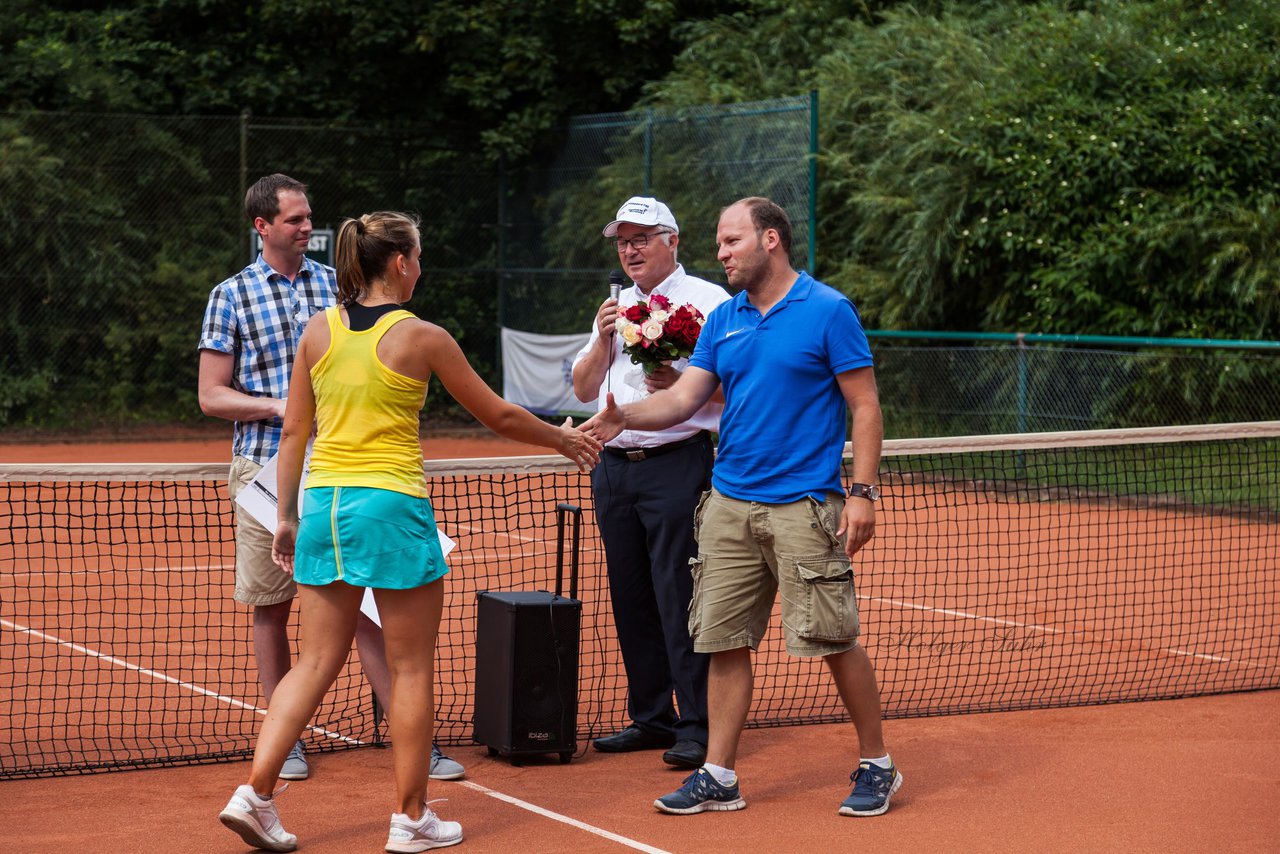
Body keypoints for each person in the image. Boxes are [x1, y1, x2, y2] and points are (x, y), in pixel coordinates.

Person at [218, 211, 601, 851]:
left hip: (325, 508)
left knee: (312, 664)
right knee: (412, 669)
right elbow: (500, 414)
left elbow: (292, 433)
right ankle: (411, 818)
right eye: (418, 256)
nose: (421, 267)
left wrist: (285, 517)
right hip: (390, 509)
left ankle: (253, 796)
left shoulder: (319, 330)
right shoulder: (423, 337)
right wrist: (562, 437)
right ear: (399, 262)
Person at [582, 197, 902, 818]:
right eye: (721, 243)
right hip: (728, 503)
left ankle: (877, 763)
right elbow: (682, 403)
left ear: (771, 240)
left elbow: (864, 405)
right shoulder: (724, 319)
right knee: (723, 642)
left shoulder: (829, 310)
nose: (722, 253)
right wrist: (620, 419)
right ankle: (719, 773)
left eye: (732, 242)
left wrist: (862, 493)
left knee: (833, 639)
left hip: (804, 504)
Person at [197, 174, 467, 786]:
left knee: (370, 611)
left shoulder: (335, 286)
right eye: (292, 218)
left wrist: (311, 414)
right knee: (271, 609)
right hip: (267, 470)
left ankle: (410, 743)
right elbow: (211, 394)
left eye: (307, 216)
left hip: (338, 473)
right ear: (261, 226)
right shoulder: (230, 295)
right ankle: (286, 746)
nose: (304, 226)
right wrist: (289, 409)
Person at [571, 196, 730, 770]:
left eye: (642, 238)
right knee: (630, 596)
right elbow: (585, 390)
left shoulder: (712, 302)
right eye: (622, 241)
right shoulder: (612, 307)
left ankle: (697, 724)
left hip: (677, 465)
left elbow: (733, 392)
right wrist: (600, 336)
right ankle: (651, 716)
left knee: (679, 594)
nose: (630, 249)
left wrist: (679, 380)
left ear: (673, 241)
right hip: (613, 469)